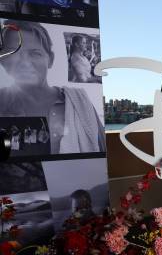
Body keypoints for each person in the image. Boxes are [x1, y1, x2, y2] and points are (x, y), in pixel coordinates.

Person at [0, 20, 106, 154]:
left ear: (50, 59)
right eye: (13, 52)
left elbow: (101, 149)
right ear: (3, 60)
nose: (25, 62)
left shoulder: (79, 102)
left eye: (35, 53)